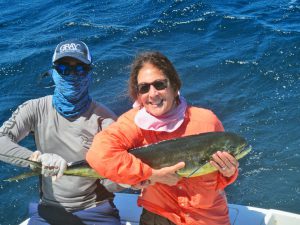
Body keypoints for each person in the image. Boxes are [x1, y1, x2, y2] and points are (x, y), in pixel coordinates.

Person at [86, 51, 239, 225]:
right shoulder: (133, 122)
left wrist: (228, 172)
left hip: (208, 217)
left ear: (174, 85)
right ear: (138, 94)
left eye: (159, 84)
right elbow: (98, 154)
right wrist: (152, 175)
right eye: (144, 88)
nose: (152, 94)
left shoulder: (207, 120)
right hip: (158, 216)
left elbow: (221, 176)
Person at [0, 39, 123, 225]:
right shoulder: (35, 108)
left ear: (89, 73)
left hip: (96, 211)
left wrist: (127, 179)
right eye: (64, 68)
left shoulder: (105, 120)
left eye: (80, 68)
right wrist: (39, 159)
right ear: (54, 72)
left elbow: (110, 182)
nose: (72, 75)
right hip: (48, 211)